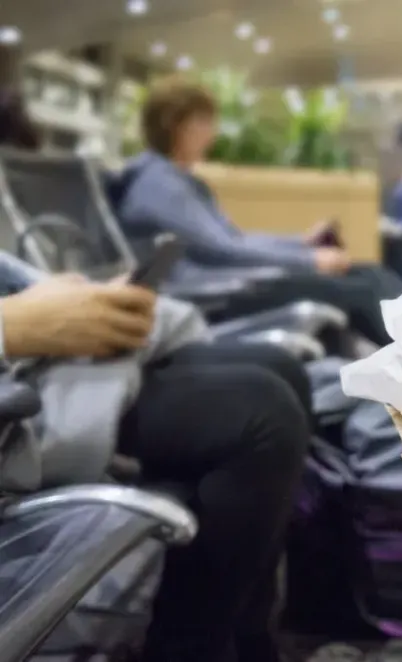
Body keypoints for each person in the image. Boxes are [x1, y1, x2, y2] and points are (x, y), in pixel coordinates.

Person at [117, 78, 402, 376]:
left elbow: (231, 240)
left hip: (236, 278)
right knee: (354, 289)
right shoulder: (159, 184)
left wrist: (299, 244)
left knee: (367, 273)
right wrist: (309, 258)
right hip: (221, 292)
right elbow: (224, 251)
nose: (211, 134)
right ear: (179, 125)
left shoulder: (172, 179)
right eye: (204, 123)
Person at [0, 264, 311, 662]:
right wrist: (12, 324)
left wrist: (70, 293)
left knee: (277, 368)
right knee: (260, 415)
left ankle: (246, 643)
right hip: (16, 384)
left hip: (25, 361)